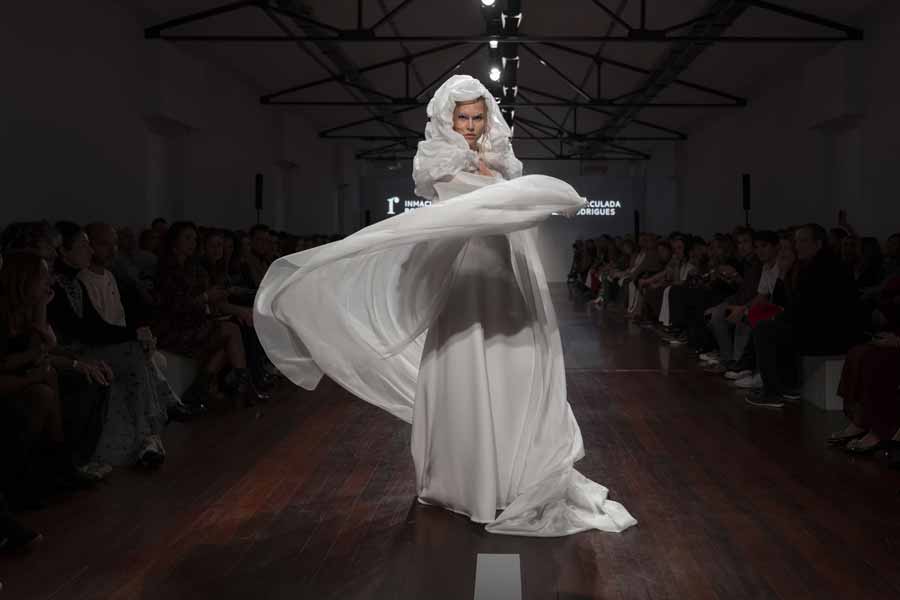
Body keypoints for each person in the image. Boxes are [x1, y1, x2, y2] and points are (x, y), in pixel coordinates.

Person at [254, 75, 636, 537]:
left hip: (501, 270)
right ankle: (467, 480)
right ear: (447, 118)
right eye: (463, 117)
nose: (471, 126)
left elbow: (507, 208)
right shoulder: (437, 159)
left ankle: (512, 470)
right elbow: (479, 207)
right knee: (464, 361)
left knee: (515, 366)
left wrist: (539, 198)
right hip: (463, 272)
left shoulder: (501, 159)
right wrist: (544, 198)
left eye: (477, 117)